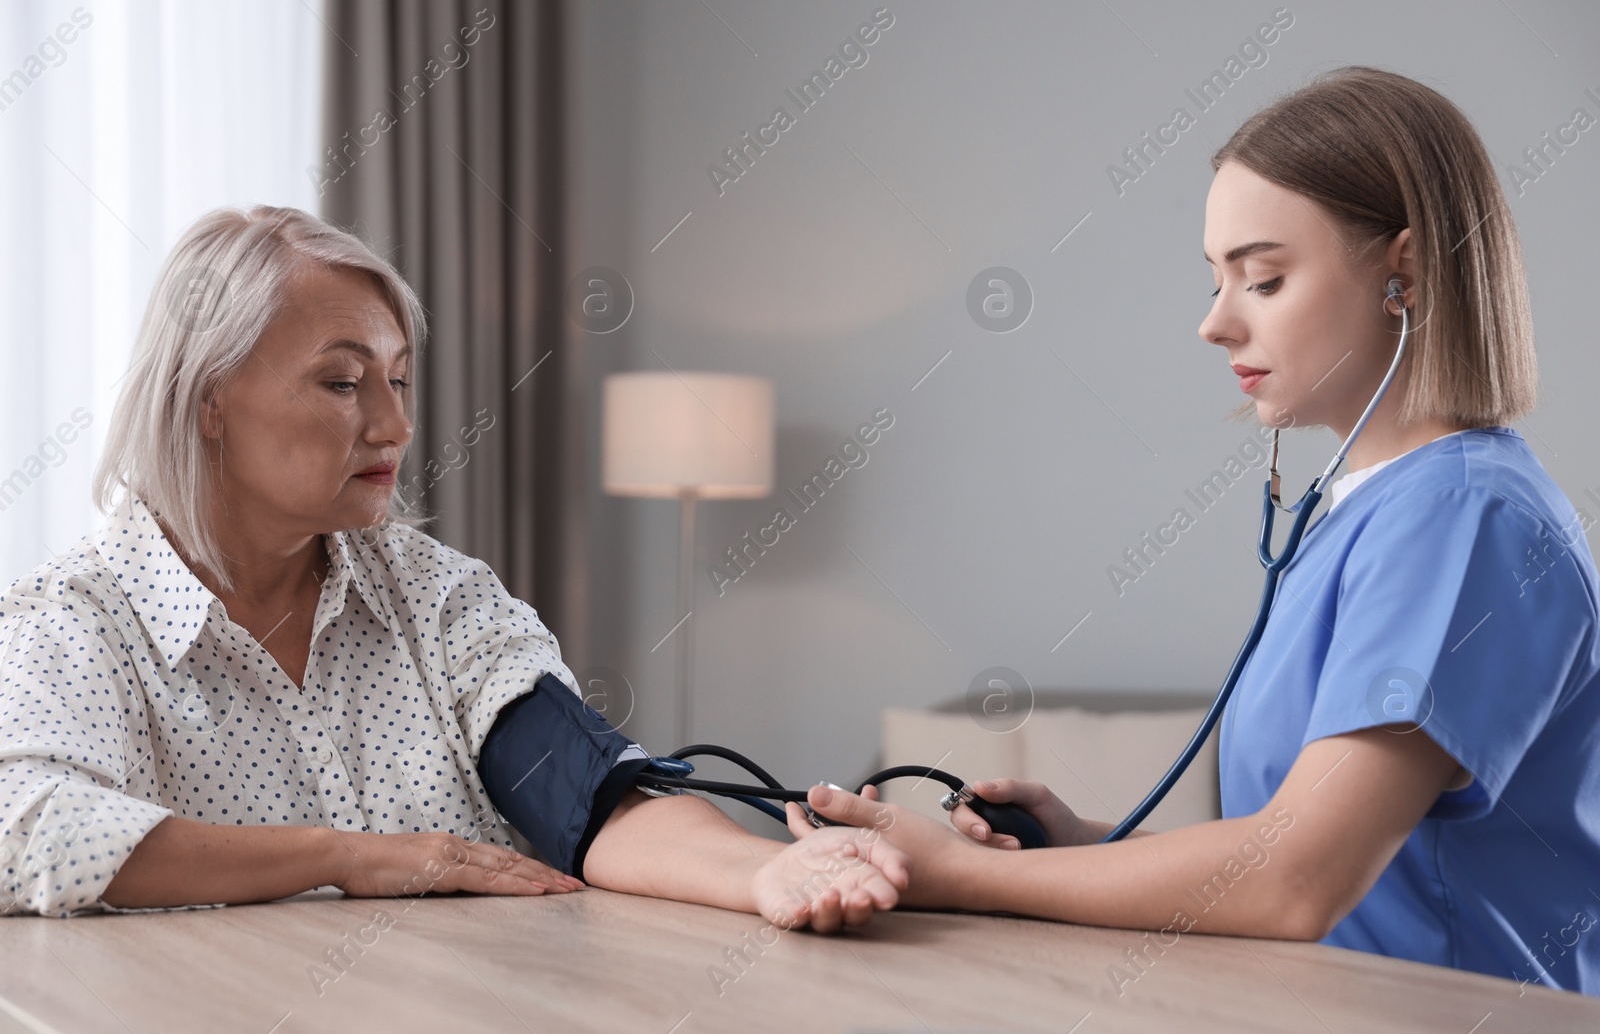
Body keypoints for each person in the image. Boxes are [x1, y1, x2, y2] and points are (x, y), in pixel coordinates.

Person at [790, 66, 1600, 995]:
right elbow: (1313, 848)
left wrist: (971, 875)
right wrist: (1082, 843)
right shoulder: (1373, 512)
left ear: (1403, 271)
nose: (1214, 323)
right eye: (1216, 279)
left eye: (1263, 278)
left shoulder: (1464, 519)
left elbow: (1299, 880)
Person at [0, 206, 904, 931]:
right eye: (343, 382)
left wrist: (767, 870)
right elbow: (26, 831)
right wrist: (347, 857)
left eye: (399, 380)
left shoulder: (433, 595)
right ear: (210, 403)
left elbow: (581, 794)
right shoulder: (75, 620)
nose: (394, 426)